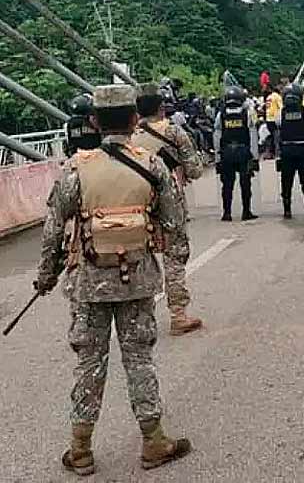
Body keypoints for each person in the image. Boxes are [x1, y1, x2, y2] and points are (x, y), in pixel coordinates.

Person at [34, 84, 192, 476]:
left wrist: (46, 277)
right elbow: (174, 226)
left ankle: (81, 450)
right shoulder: (152, 166)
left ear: (93, 122)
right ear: (135, 119)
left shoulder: (75, 168)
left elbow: (53, 230)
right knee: (139, 360)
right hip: (137, 281)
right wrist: (176, 261)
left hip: (88, 283)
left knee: (89, 364)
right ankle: (155, 441)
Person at [131, 83, 205, 335]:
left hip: (137, 201)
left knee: (139, 258)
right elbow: (195, 169)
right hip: (170, 201)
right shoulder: (174, 133)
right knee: (174, 257)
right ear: (162, 108)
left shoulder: (129, 135)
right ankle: (178, 315)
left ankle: (142, 318)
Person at [214, 86, 259, 221]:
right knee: (245, 183)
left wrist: (217, 158)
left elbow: (217, 136)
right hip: (243, 152)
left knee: (227, 185)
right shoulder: (247, 113)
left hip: (226, 153)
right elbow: (253, 136)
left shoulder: (221, 115)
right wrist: (255, 157)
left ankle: (227, 213)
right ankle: (246, 212)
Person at [276, 82, 304, 219]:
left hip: (287, 150)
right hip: (303, 150)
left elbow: (277, 127)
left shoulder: (280, 113)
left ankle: (287, 211)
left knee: (286, 182)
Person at [264, 84, 283, 159]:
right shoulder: (277, 97)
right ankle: (277, 153)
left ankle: (269, 153)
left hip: (268, 119)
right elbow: (281, 108)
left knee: (270, 136)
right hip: (275, 119)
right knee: (277, 137)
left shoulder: (268, 97)